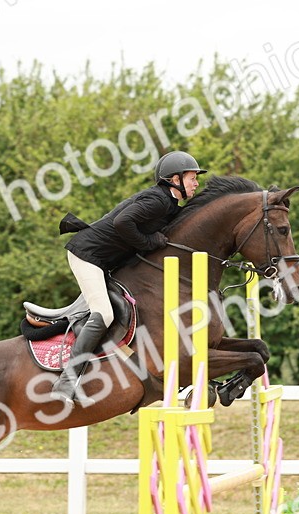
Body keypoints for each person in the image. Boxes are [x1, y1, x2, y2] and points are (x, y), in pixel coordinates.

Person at [51, 150, 207, 406]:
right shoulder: (158, 200)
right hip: (88, 255)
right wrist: (150, 242)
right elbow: (123, 222)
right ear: (175, 179)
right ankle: (66, 382)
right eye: (192, 178)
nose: (196, 183)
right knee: (104, 313)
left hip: (104, 260)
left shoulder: (169, 204)